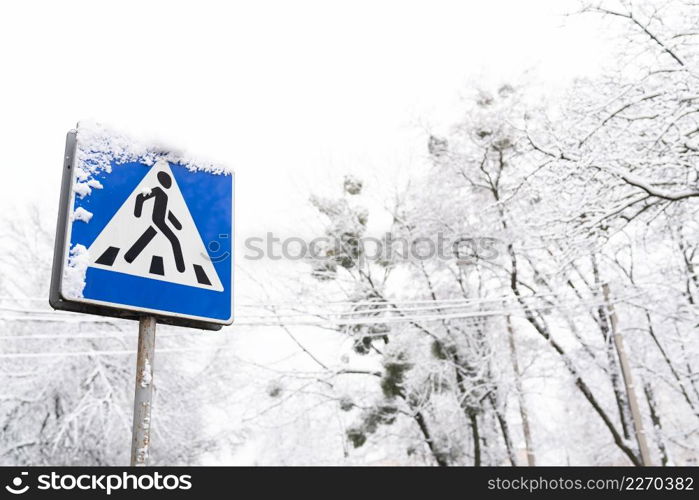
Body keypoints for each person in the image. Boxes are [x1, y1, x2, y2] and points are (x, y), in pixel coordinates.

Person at [124, 171, 185, 272]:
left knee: (147, 237)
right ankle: (181, 269)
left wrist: (177, 224)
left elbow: (166, 211)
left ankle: (129, 256)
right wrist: (137, 213)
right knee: (174, 240)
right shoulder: (157, 191)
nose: (169, 184)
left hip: (160, 220)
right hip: (158, 221)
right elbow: (140, 197)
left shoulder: (165, 195)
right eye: (167, 181)